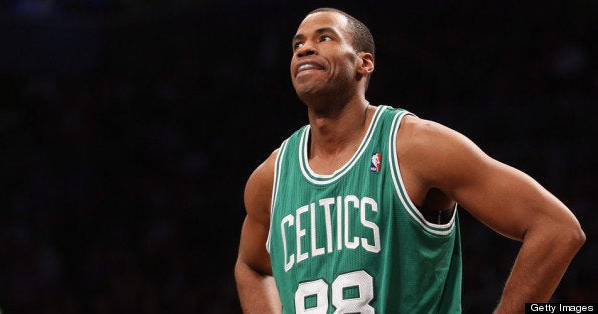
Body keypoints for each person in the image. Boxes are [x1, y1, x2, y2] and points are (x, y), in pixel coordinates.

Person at [235, 7, 585, 313]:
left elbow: (557, 228)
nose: (305, 48)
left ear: (364, 63)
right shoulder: (272, 176)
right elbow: (251, 266)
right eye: (297, 44)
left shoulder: (416, 145)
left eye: (324, 38)